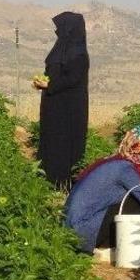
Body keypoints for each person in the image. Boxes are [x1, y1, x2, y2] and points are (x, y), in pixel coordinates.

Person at [64, 124, 140, 257]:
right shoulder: (124, 170)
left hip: (74, 230)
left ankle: (106, 246)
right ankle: (108, 248)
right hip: (82, 232)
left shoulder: (120, 163)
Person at [34, 12, 90, 189]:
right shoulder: (59, 51)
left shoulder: (79, 55)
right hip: (53, 106)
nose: (58, 32)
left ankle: (64, 184)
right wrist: (42, 82)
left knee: (66, 144)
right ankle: (48, 180)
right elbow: (52, 73)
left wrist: (50, 85)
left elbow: (72, 79)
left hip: (70, 108)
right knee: (51, 140)